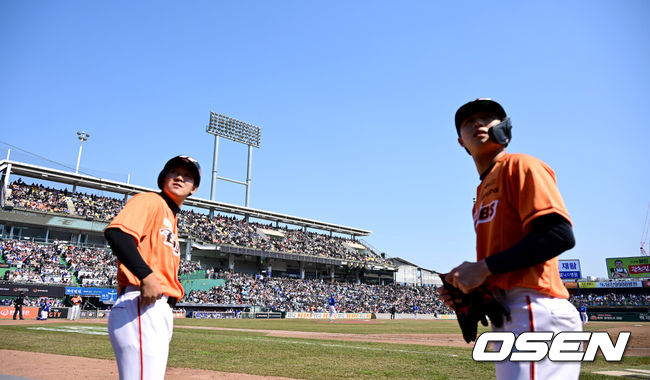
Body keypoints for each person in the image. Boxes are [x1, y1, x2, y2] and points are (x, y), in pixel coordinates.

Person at [437, 99, 582, 380]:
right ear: (461, 142)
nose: (478, 123)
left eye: (488, 117)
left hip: (535, 308)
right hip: (511, 312)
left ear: (505, 128)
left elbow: (558, 234)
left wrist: (482, 268)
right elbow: (509, 259)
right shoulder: (480, 195)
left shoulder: (520, 165)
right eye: (469, 122)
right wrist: (474, 290)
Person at [104, 155, 200, 380]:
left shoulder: (170, 217)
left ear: (194, 188)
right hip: (140, 302)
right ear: (162, 178)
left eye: (187, 176)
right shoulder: (150, 201)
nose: (179, 177)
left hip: (157, 308)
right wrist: (145, 275)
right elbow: (117, 234)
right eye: (173, 172)